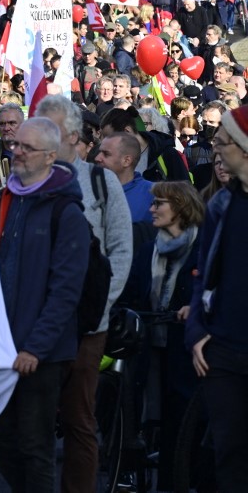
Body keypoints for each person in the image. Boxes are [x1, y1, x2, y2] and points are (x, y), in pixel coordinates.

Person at [0, 117, 91, 492]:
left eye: (27, 148)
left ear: (50, 156)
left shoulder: (66, 212)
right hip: (2, 345)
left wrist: (36, 347)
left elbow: (65, 290)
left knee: (35, 446)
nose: (17, 153)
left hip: (41, 353)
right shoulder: (3, 202)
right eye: (16, 146)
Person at [35, 95, 133, 493]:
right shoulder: (26, 180)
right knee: (33, 422)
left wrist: (98, 308)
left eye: (50, 131)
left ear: (74, 137)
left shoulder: (100, 181)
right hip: (37, 324)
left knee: (78, 419)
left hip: (87, 327)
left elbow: (121, 249)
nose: (39, 138)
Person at [123, 182, 204, 490]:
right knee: (156, 418)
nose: (152, 209)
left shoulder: (203, 247)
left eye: (159, 204)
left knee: (184, 421)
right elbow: (133, 291)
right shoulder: (148, 249)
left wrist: (192, 308)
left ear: (181, 207)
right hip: (150, 349)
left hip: (184, 350)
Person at [186, 104, 248, 490]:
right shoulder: (222, 205)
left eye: (223, 142)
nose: (217, 149)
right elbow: (201, 277)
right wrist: (197, 331)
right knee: (229, 454)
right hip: (222, 351)